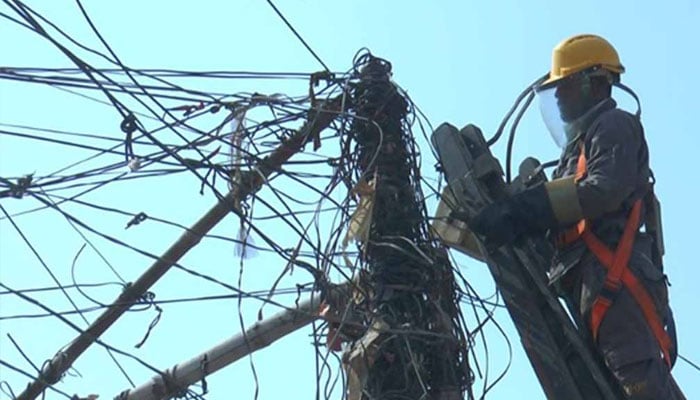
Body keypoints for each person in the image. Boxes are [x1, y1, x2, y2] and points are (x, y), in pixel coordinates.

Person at [469, 34, 685, 399]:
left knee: (638, 382)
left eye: (564, 86)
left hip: (616, 284)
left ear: (594, 83)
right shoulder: (578, 150)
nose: (558, 98)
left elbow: (603, 189)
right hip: (592, 284)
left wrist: (527, 209)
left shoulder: (614, 125)